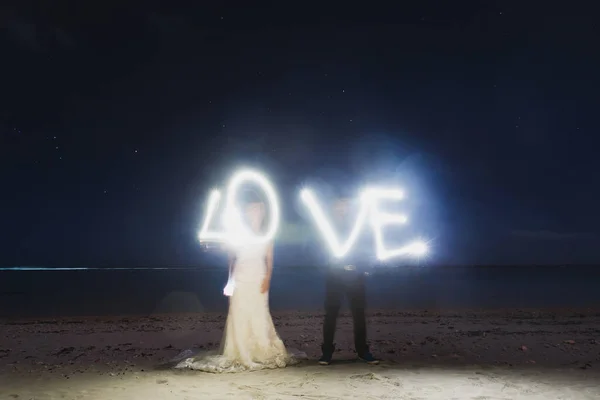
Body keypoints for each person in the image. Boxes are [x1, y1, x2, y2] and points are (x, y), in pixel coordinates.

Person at [175, 192, 304, 372]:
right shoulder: (239, 234)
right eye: (252, 209)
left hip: (258, 276)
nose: (255, 213)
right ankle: (240, 350)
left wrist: (267, 278)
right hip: (240, 277)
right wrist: (229, 281)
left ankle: (261, 348)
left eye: (258, 209)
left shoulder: (266, 234)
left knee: (259, 313)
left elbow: (270, 260)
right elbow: (230, 257)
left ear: (263, 212)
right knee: (239, 313)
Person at [318, 196, 379, 365]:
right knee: (331, 314)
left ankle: (363, 351)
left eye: (344, 205)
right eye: (338, 205)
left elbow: (366, 246)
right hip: (334, 276)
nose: (341, 208)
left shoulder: (357, 226)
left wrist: (365, 268)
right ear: (332, 207)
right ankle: (327, 352)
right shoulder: (326, 226)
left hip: (355, 275)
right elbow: (320, 249)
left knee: (358, 314)